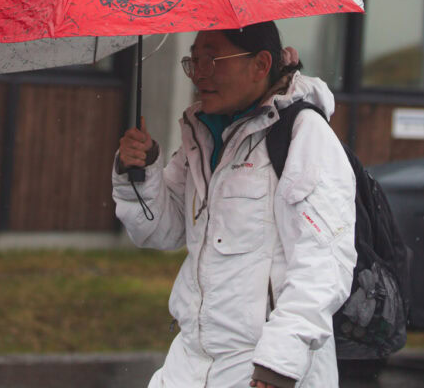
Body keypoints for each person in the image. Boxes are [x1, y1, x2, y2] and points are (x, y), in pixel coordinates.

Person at [112, 21, 357, 388]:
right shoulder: (202, 136)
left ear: (260, 65)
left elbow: (323, 266)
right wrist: (139, 171)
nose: (198, 75)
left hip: (262, 370)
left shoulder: (303, 135)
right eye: (193, 61)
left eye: (211, 60)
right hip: (189, 365)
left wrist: (278, 368)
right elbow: (160, 231)